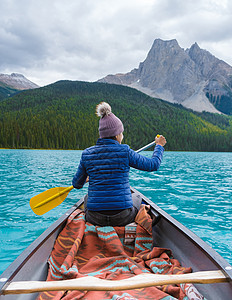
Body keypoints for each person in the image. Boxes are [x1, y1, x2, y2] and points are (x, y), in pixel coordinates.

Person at [72, 102, 166, 226]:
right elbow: (153, 165)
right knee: (137, 196)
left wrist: (86, 179)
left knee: (87, 198)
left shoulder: (87, 154)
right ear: (117, 135)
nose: (122, 136)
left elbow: (76, 184)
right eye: (121, 133)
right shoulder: (125, 151)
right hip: (123, 217)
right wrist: (159, 146)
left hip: (94, 218)